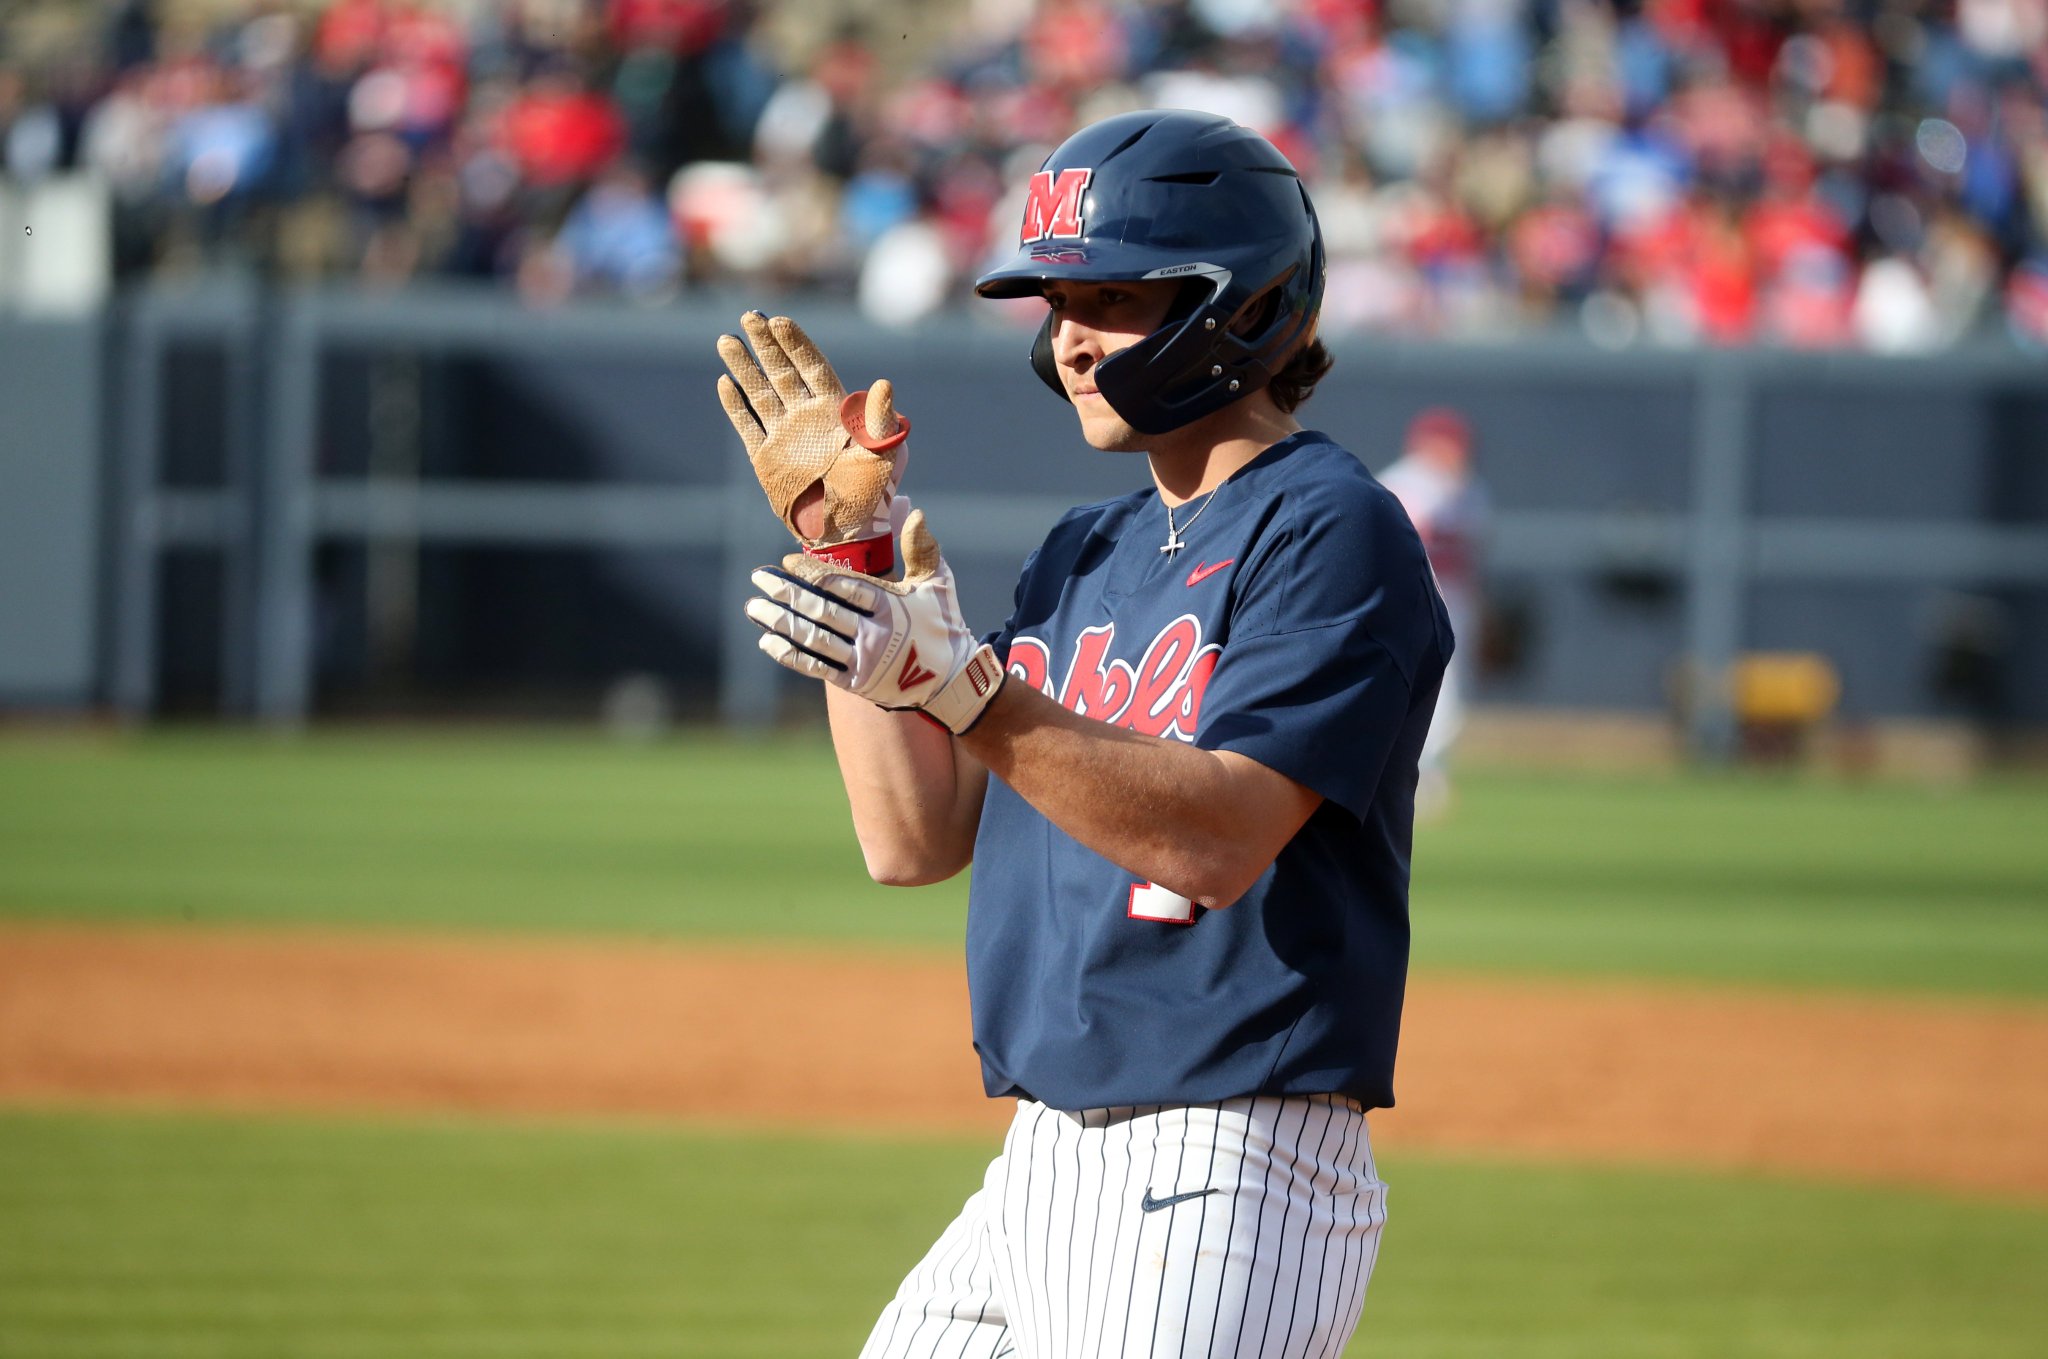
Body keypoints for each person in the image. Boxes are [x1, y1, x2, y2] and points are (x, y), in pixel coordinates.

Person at [719, 109, 1451, 1359]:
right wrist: (844, 561)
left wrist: (967, 693)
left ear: (1240, 304)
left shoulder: (1330, 525)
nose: (1068, 340)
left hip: (1227, 1158)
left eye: (1110, 297)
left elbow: (1219, 839)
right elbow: (912, 837)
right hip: (1039, 1157)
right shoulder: (1086, 548)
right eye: (1056, 305)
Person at [1376, 406, 1489, 818]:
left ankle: (1428, 773)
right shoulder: (1401, 483)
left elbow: (1475, 558)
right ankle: (1405, 774)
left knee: (1451, 695)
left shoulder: (1470, 490)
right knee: (1416, 690)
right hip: (1410, 600)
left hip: (1455, 600)